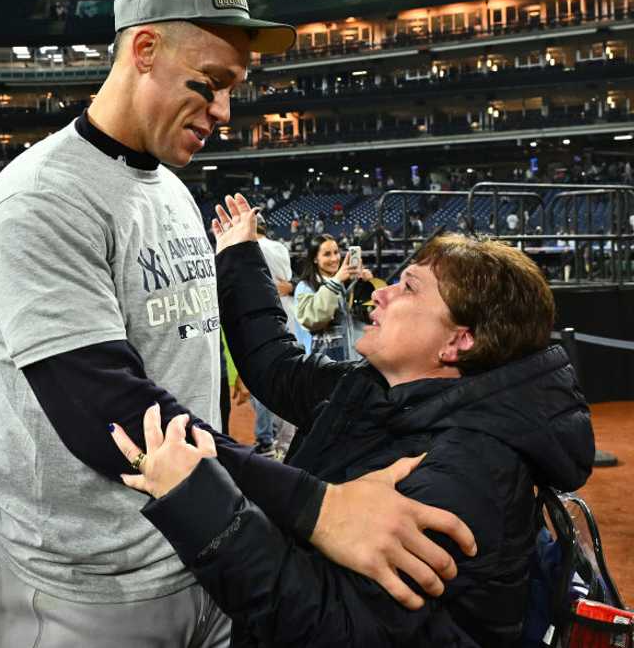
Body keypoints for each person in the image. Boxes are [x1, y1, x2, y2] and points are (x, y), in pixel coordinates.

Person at [0, 0, 474, 648]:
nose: (225, 112)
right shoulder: (39, 202)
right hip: (90, 588)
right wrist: (316, 508)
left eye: (234, 89)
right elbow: (108, 414)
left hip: (204, 550)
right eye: (208, 84)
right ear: (143, 50)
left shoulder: (172, 189)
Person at [109, 193, 594, 647]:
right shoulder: (386, 391)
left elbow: (332, 627)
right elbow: (278, 367)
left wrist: (204, 508)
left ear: (458, 343)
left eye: (409, 288)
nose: (380, 296)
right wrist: (240, 254)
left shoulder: (466, 473)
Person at [232, 212, 296, 458]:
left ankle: (268, 441)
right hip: (287, 314)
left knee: (262, 381)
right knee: (286, 379)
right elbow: (287, 281)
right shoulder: (279, 246)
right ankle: (283, 442)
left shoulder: (250, 247)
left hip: (262, 317)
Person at [294, 233, 373, 360]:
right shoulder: (305, 287)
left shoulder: (340, 285)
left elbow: (360, 317)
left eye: (336, 252)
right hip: (319, 365)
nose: (334, 259)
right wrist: (336, 281)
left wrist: (362, 283)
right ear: (315, 259)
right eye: (327, 254)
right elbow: (313, 319)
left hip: (345, 359)